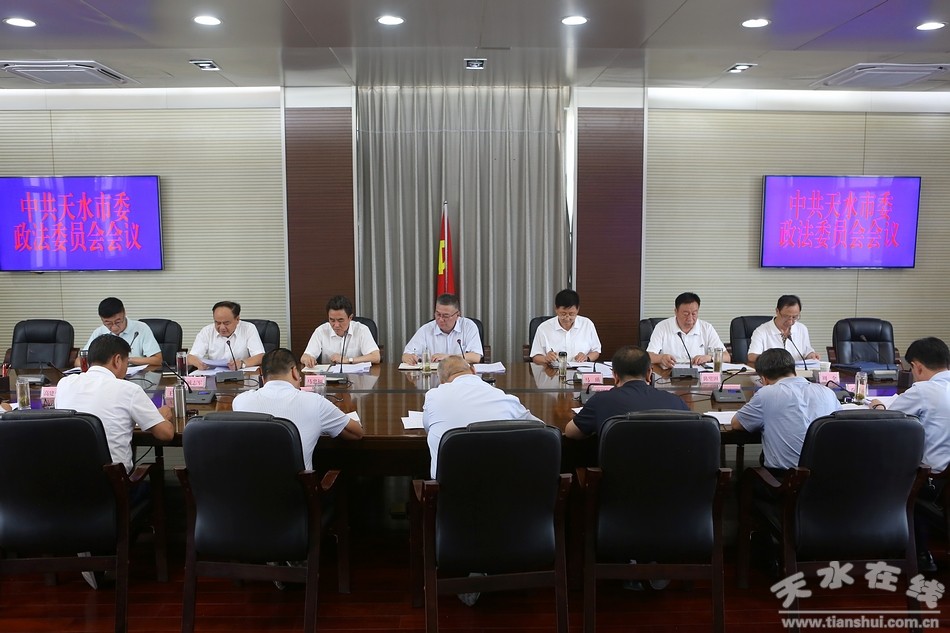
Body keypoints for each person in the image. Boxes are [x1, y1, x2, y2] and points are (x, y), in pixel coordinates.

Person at [871, 337, 950, 573]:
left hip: (935, 483)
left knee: (887, 472)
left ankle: (919, 554)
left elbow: (887, 418)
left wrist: (877, 406)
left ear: (917, 366)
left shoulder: (924, 390)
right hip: (945, 481)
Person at [56, 334, 174, 472]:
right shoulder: (128, 389)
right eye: (127, 363)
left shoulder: (64, 384)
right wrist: (161, 417)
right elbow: (166, 434)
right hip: (112, 480)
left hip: (68, 476)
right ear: (117, 360)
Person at [232, 348, 363, 470]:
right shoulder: (315, 402)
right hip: (297, 487)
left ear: (262, 376)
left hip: (249, 486)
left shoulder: (240, 401)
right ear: (295, 372)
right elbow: (356, 433)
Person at [422, 356, 538, 478]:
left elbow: (427, 428)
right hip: (502, 483)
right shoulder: (507, 399)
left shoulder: (433, 396)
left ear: (442, 381)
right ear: (473, 371)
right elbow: (541, 428)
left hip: (450, 486)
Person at [731, 348, 840, 470]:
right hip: (829, 475)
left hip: (787, 478)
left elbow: (736, 424)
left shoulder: (766, 394)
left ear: (764, 379)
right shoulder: (827, 392)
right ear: (794, 370)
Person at [565, 345, 688, 439]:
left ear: (615, 375)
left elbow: (570, 432)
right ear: (649, 373)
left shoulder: (600, 401)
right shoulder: (676, 402)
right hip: (669, 466)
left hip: (617, 466)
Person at [647, 292, 729, 369]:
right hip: (669, 374)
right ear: (676, 312)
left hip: (698, 375)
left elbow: (726, 357)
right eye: (686, 314)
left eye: (694, 314)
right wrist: (661, 358)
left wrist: (709, 358)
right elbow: (649, 356)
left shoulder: (706, 328)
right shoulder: (662, 327)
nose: (690, 318)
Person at [75, 297, 162, 367]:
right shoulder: (100, 332)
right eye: (108, 323)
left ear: (124, 313)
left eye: (118, 322)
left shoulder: (141, 328)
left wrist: (126, 360)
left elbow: (157, 360)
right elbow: (79, 361)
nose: (114, 328)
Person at [300, 295, 380, 367]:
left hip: (358, 376)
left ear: (350, 318)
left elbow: (376, 357)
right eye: (332, 320)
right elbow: (305, 356)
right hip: (329, 377)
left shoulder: (361, 330)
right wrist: (308, 359)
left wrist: (348, 360)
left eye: (340, 320)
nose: (336, 325)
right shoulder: (321, 331)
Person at [402, 294, 483, 364]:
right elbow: (406, 355)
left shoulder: (468, 326)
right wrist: (410, 358)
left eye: (445, 316)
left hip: (461, 374)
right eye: (438, 314)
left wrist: (448, 357)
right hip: (435, 375)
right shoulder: (426, 329)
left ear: (457, 315)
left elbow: (475, 357)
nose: (440, 319)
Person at [530, 289, 602, 365]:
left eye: (571, 314)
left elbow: (596, 351)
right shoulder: (544, 328)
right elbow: (535, 357)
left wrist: (586, 357)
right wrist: (546, 358)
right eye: (563, 314)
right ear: (556, 309)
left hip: (580, 369)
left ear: (578, 309)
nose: (567, 318)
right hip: (554, 371)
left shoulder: (587, 324)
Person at [187, 301, 265, 371]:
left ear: (237, 319)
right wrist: (199, 364)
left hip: (243, 377)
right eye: (217, 323)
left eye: (226, 323)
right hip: (215, 377)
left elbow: (260, 356)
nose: (222, 327)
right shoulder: (207, 331)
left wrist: (242, 363)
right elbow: (190, 358)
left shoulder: (248, 329)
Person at [747, 295, 820, 364]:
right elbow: (751, 356)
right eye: (786, 316)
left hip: (798, 371)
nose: (790, 321)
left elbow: (807, 352)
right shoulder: (761, 331)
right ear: (777, 311)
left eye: (794, 317)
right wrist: (772, 358)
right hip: (773, 372)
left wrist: (811, 355)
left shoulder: (802, 329)